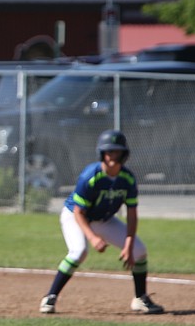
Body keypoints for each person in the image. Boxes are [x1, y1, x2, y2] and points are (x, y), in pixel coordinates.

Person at [40, 129, 164, 315]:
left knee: (140, 251)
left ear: (124, 154)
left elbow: (132, 213)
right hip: (74, 216)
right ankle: (50, 297)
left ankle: (140, 299)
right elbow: (78, 212)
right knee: (79, 252)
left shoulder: (127, 179)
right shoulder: (90, 176)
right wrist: (92, 238)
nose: (113, 156)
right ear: (102, 154)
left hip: (103, 220)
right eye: (109, 152)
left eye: (117, 151)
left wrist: (129, 244)